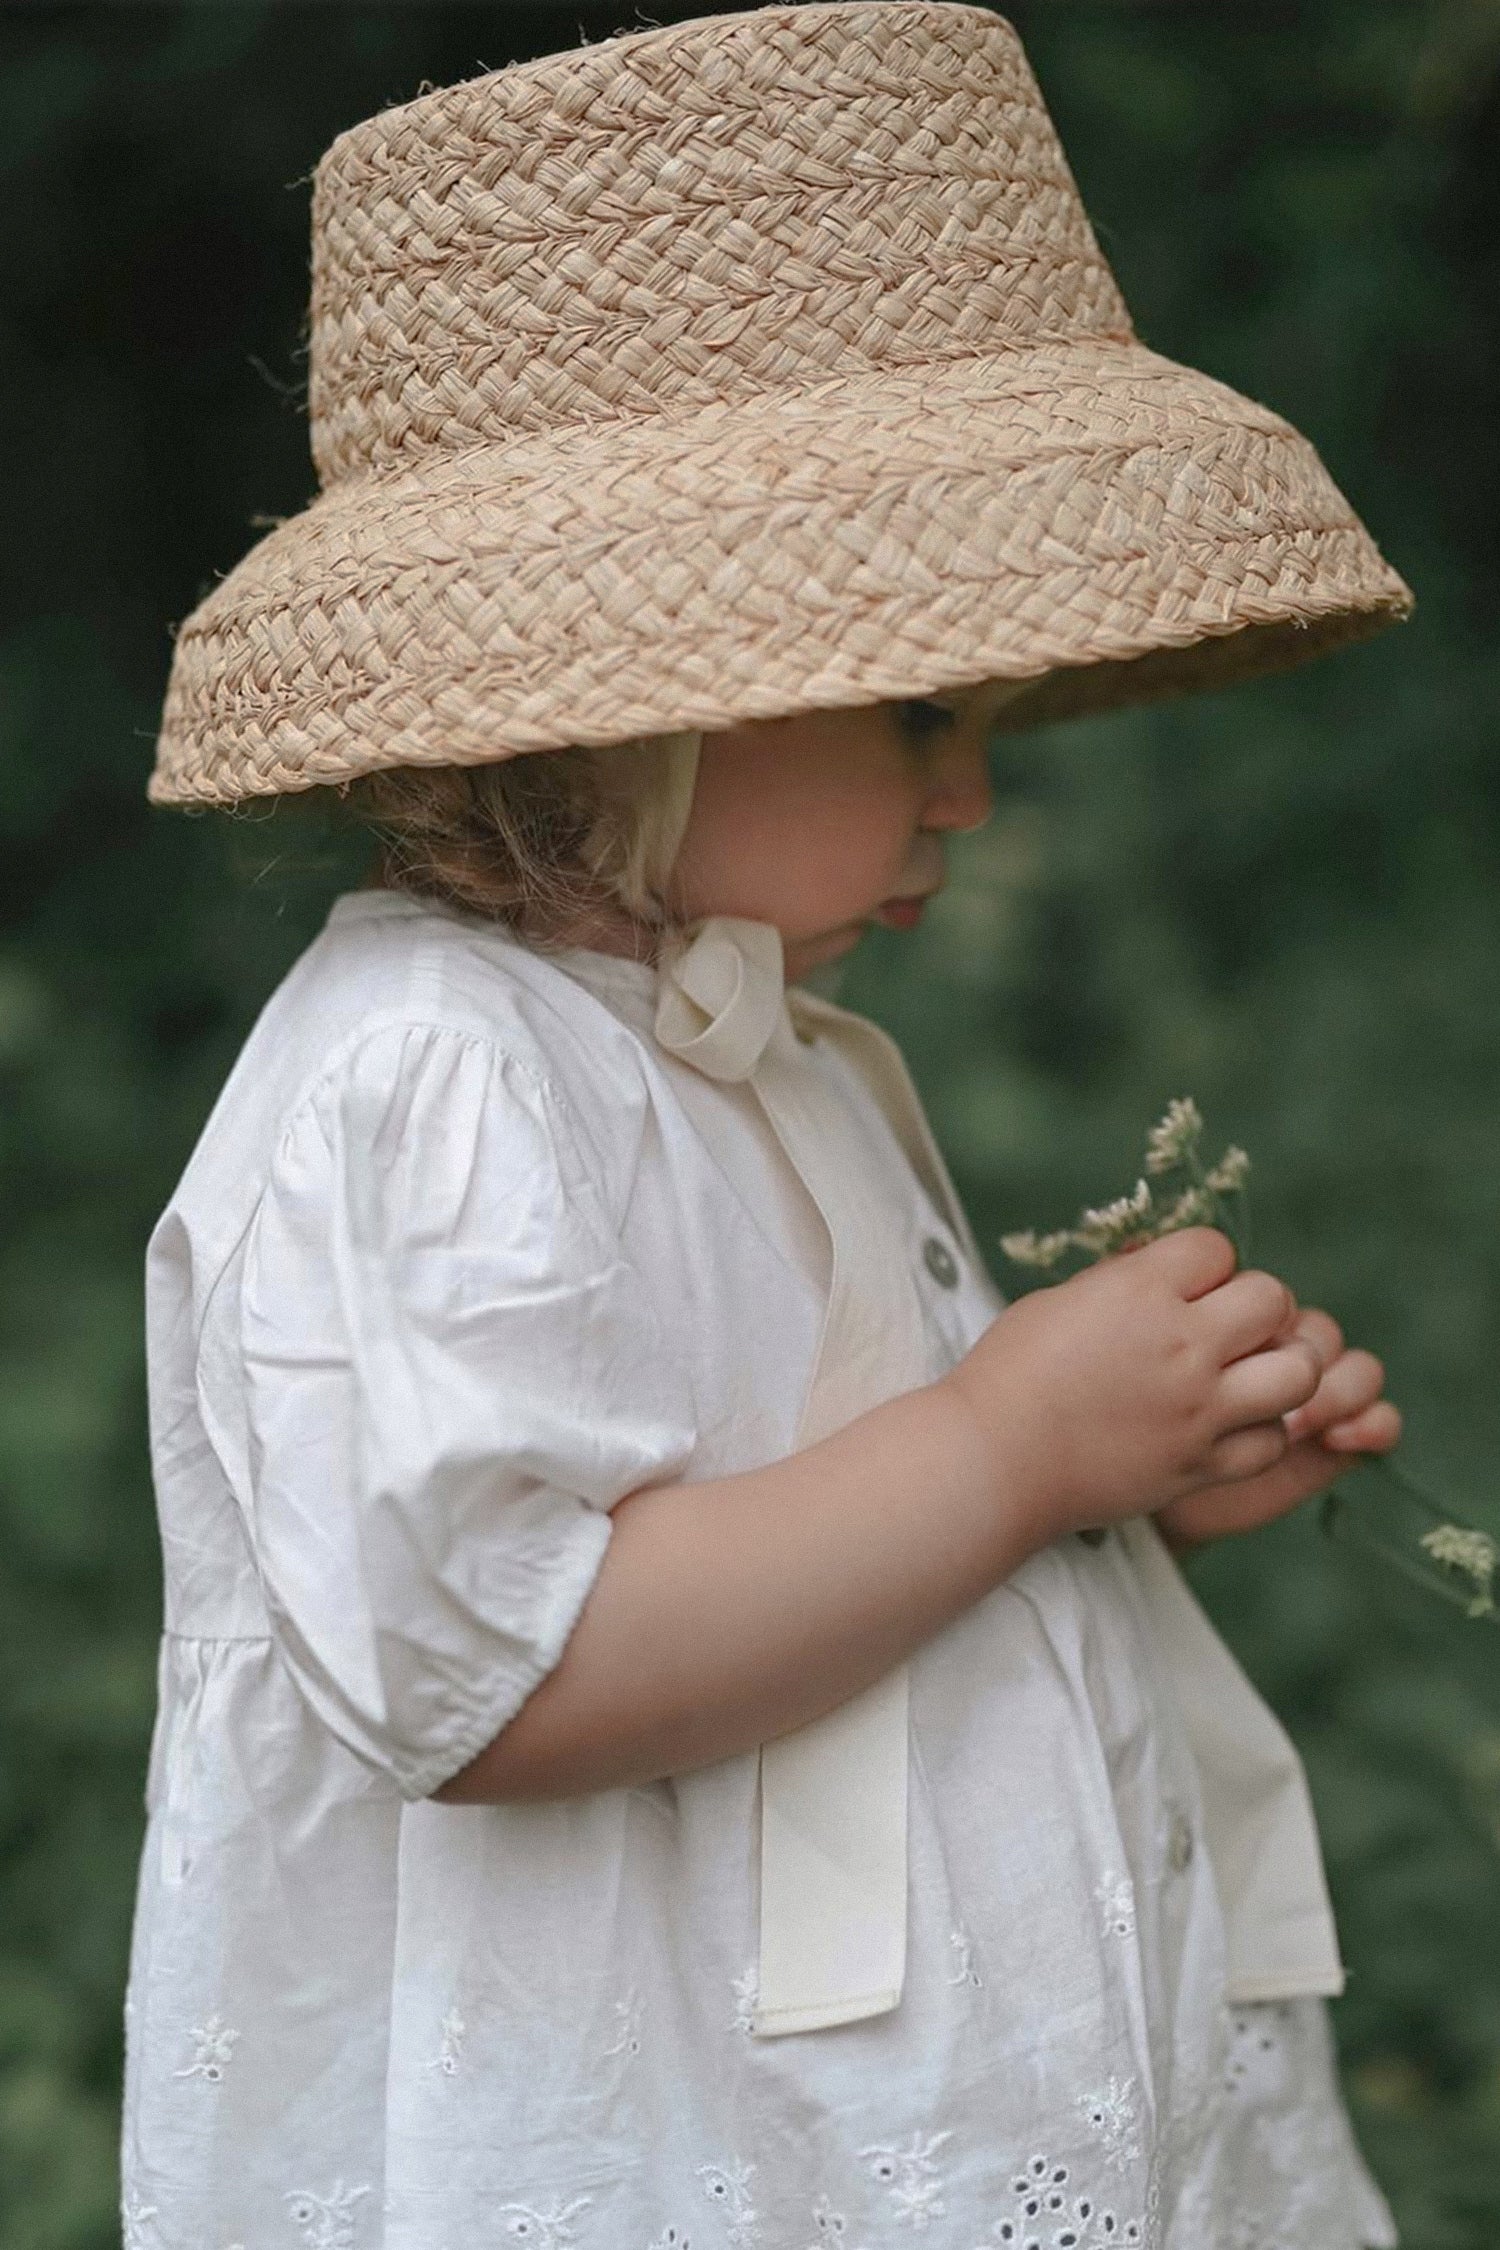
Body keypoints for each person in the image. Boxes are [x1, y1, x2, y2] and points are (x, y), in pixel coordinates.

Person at [127, 7, 1416, 2246]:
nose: (973, 786)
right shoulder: (436, 1074)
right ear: (644, 696)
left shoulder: (761, 1044)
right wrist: (1009, 1447)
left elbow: (820, 1553)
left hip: (898, 2106)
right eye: (924, 703)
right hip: (686, 2132)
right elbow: (507, 1676)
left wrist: (1115, 1498)